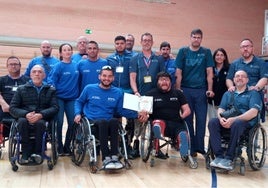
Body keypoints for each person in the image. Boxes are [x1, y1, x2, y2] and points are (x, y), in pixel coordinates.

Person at [74, 65, 148, 169]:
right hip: (92, 124)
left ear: (113, 78)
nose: (106, 78)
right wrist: (77, 113)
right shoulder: (89, 88)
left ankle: (114, 156)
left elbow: (120, 110)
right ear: (99, 76)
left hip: (108, 124)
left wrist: (137, 114)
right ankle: (106, 158)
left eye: (109, 76)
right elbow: (79, 102)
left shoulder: (117, 92)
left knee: (114, 121)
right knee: (103, 122)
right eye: (104, 76)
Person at [208, 70, 262, 170]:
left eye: (242, 76)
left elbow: (254, 112)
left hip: (245, 124)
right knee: (212, 122)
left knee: (237, 123)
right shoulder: (228, 94)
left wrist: (234, 119)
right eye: (237, 76)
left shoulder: (253, 93)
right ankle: (219, 156)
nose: (239, 78)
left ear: (247, 80)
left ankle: (229, 157)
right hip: (228, 121)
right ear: (233, 79)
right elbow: (221, 109)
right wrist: (221, 119)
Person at [175, 28, 214, 157]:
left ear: (201, 39)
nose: (196, 39)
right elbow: (178, 72)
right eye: (194, 37)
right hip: (186, 89)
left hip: (201, 90)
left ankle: (199, 147)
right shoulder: (183, 51)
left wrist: (209, 89)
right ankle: (191, 147)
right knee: (187, 119)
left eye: (199, 37)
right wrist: (178, 89)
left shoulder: (206, 52)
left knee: (201, 120)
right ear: (190, 38)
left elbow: (209, 72)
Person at [9, 65, 59, 164]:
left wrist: (41, 114)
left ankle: (38, 153)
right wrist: (26, 114)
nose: (37, 74)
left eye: (40, 72)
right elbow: (13, 108)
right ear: (30, 75)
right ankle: (25, 153)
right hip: (25, 117)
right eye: (34, 72)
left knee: (40, 123)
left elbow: (55, 107)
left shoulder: (50, 90)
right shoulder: (21, 89)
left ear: (44, 75)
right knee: (22, 121)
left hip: (42, 118)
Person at [129, 32, 164, 157]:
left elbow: (162, 77)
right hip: (140, 95)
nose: (147, 42)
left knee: (155, 121)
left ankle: (156, 148)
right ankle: (136, 146)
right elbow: (132, 78)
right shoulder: (135, 58)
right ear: (141, 42)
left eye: (149, 40)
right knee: (139, 121)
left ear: (152, 42)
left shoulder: (159, 59)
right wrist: (135, 92)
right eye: (144, 40)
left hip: (155, 96)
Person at [146, 72, 191, 159]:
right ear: (157, 82)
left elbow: (187, 110)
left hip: (175, 122)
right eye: (161, 80)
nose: (164, 82)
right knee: (158, 123)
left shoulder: (178, 93)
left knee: (182, 133)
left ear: (170, 82)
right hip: (159, 121)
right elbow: (143, 110)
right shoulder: (150, 94)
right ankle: (158, 131)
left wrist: (181, 117)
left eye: (166, 80)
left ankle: (182, 144)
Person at [107, 35, 136, 159]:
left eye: (122, 43)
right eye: (117, 43)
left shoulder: (133, 57)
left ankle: (128, 144)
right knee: (116, 119)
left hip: (128, 91)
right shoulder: (109, 59)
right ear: (115, 44)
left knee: (131, 120)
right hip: (114, 92)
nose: (119, 45)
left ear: (126, 44)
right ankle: (117, 144)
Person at [226, 38, 268, 122]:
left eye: (248, 46)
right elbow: (229, 79)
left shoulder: (260, 63)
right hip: (238, 97)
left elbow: (264, 78)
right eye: (243, 47)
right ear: (240, 49)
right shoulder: (235, 63)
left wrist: (257, 87)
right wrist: (231, 87)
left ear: (252, 48)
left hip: (254, 96)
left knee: (252, 122)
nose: (245, 49)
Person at [48, 43, 80, 156]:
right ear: (61, 53)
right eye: (64, 50)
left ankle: (67, 146)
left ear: (72, 52)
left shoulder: (77, 65)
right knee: (59, 122)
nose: (67, 52)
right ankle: (59, 146)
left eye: (69, 50)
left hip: (72, 98)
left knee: (73, 123)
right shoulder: (58, 66)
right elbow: (51, 80)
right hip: (59, 98)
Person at [0, 56, 30, 138]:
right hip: (5, 108)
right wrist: (3, 104)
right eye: (11, 64)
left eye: (15, 64)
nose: (13, 66)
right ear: (7, 66)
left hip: (22, 109)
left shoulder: (28, 80)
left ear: (20, 66)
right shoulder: (2, 80)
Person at [207, 48, 230, 119]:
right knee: (212, 123)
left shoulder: (229, 68)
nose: (219, 57)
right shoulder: (210, 69)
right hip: (212, 102)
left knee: (224, 123)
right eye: (217, 55)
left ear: (225, 57)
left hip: (225, 103)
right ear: (214, 57)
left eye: (221, 55)